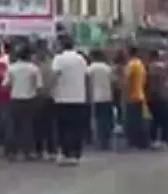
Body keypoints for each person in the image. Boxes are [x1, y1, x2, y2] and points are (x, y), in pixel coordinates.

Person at [50, 35, 89, 165]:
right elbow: (86, 77)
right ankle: (76, 153)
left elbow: (54, 76)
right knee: (77, 127)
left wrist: (51, 90)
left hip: (62, 98)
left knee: (63, 127)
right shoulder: (81, 59)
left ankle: (66, 153)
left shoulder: (59, 59)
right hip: (79, 97)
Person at [3, 45, 41, 162]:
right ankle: (29, 151)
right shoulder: (34, 68)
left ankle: (11, 152)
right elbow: (39, 87)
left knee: (12, 127)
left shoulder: (11, 68)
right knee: (27, 126)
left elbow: (5, 85)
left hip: (15, 99)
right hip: (29, 100)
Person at [122, 46, 150, 150]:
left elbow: (127, 81)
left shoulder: (131, 65)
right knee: (139, 121)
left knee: (132, 122)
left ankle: (134, 143)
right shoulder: (140, 64)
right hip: (140, 95)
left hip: (132, 96)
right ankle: (141, 143)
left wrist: (125, 95)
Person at [86, 49, 114, 151]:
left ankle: (98, 140)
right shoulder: (107, 68)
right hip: (107, 96)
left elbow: (87, 83)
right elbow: (112, 82)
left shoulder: (90, 69)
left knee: (97, 119)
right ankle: (106, 140)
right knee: (106, 119)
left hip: (95, 96)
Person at [33, 44, 57, 159]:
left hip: (38, 98)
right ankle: (51, 150)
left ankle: (39, 150)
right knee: (50, 126)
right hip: (50, 98)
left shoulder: (35, 68)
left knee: (38, 126)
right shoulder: (51, 67)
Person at [145, 50, 168, 149]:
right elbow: (167, 82)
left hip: (154, 97)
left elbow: (151, 85)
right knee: (164, 120)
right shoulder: (164, 67)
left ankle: (154, 140)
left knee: (154, 120)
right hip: (164, 97)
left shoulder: (151, 68)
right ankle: (164, 140)